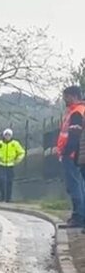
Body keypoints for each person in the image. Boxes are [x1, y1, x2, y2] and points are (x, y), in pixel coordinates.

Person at [57, 85, 85, 227]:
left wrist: (67, 153)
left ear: (73, 96)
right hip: (76, 154)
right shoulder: (76, 111)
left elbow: (74, 135)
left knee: (75, 186)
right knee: (78, 185)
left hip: (72, 155)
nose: (64, 100)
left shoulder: (76, 112)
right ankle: (79, 216)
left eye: (66, 97)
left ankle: (79, 217)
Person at [0, 128, 25, 202]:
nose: (7, 136)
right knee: (2, 180)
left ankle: (8, 198)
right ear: (3, 135)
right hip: (1, 164)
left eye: (9, 135)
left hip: (10, 165)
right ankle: (2, 196)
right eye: (6, 135)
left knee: (9, 181)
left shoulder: (15, 144)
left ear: (11, 136)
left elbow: (21, 152)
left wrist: (17, 160)